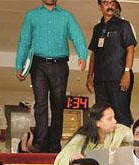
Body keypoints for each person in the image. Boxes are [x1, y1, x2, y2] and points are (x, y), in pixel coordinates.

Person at [15, 0, 88, 153]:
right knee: (40, 103)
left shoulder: (66, 16)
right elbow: (24, 41)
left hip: (60, 64)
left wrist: (82, 55)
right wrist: (19, 64)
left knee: (58, 104)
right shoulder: (32, 16)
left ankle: (55, 143)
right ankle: (40, 142)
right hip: (38, 64)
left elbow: (77, 36)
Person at [52, 103, 133, 165]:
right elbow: (63, 160)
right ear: (97, 123)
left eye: (114, 117)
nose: (114, 121)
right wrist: (71, 160)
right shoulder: (80, 140)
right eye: (109, 119)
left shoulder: (118, 131)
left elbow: (137, 139)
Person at [86, 0, 136, 128]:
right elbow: (94, 54)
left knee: (121, 114)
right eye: (105, 2)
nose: (110, 5)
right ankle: (105, 146)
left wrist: (126, 72)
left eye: (112, 2)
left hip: (118, 77)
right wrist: (89, 76)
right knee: (102, 115)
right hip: (100, 79)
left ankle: (124, 148)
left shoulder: (123, 25)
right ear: (100, 6)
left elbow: (130, 49)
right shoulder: (97, 28)